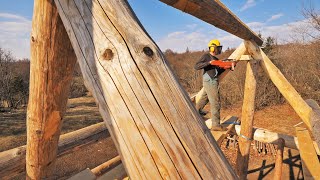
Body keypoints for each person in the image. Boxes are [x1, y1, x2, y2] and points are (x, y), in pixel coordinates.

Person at [194, 39, 233, 131]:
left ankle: (196, 112)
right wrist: (209, 63)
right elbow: (196, 66)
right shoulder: (207, 56)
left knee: (205, 97)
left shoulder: (216, 59)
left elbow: (217, 71)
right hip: (210, 80)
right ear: (212, 48)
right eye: (218, 48)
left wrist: (226, 67)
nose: (219, 49)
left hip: (212, 79)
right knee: (215, 102)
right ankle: (216, 125)